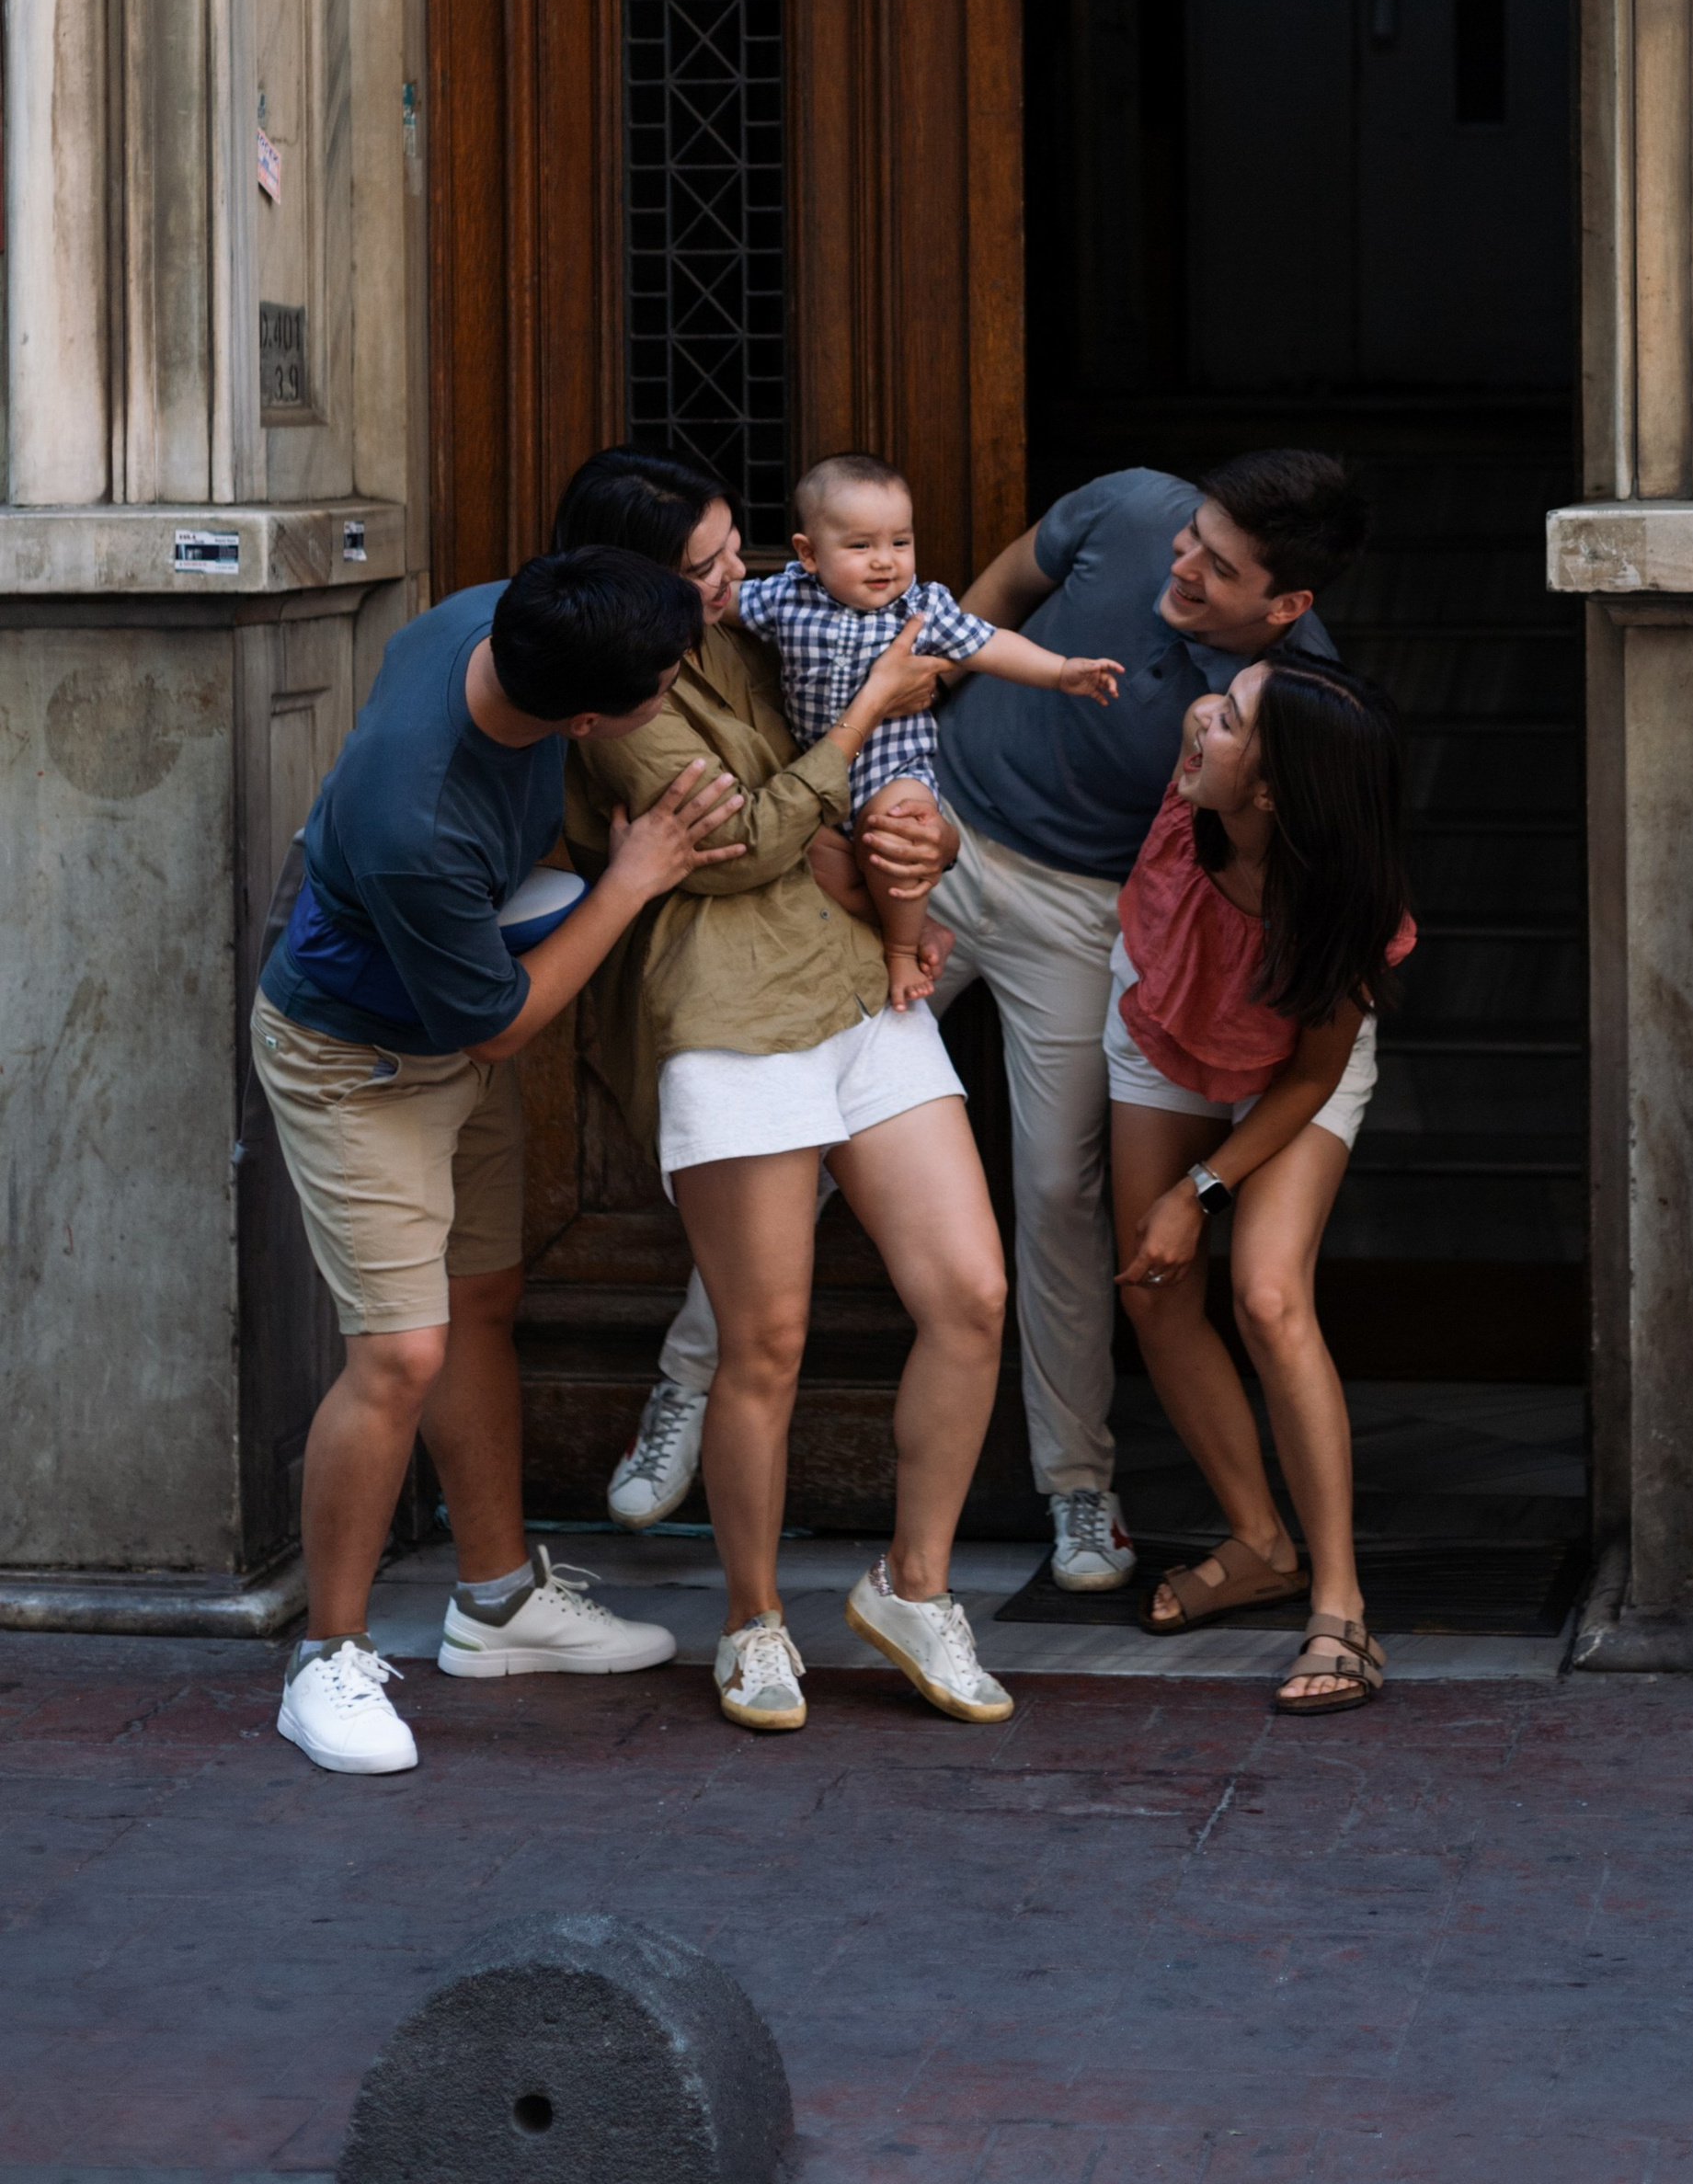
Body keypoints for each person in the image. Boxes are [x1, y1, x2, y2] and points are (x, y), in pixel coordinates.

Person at [609, 452, 1368, 1602]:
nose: (1183, 561)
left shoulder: (1298, 701)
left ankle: (1075, 1479)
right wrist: (914, 705)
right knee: (791, 1120)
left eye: (1216, 568)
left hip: (1086, 909)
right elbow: (990, 597)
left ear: (1285, 607)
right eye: (1190, 537)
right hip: (925, 830)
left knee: (1061, 1192)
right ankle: (686, 1384)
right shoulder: (1125, 505)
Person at [256, 546, 745, 1778]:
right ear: (585, 720)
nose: (676, 690)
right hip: (359, 1059)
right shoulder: (416, 821)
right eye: (661, 681)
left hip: (447, 1019)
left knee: (480, 1302)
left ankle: (497, 1602)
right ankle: (326, 1660)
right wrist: (632, 879)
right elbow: (506, 1023)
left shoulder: (486, 616)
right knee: (400, 1351)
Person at [553, 447, 1018, 1727]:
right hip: (725, 1015)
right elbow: (740, 846)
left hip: (855, 991)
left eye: (730, 552)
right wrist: (864, 717)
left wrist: (924, 846)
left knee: (972, 1294)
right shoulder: (616, 699)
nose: (731, 579)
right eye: (701, 567)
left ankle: (912, 1588)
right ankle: (753, 1621)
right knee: (764, 1344)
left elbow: (849, 805)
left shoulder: (770, 628)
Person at [1111, 655, 1413, 1717]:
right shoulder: (1196, 786)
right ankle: (1258, 1542)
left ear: (1276, 790)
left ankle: (1340, 1604)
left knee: (1268, 1295)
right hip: (1164, 1018)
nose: (1202, 720)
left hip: (1288, 1072)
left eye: (1231, 721)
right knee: (1148, 1284)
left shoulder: (1340, 897)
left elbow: (1315, 1076)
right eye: (1220, 701)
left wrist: (1197, 1190)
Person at [736, 450, 1124, 1009]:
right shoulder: (782, 596)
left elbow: (990, 642)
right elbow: (718, 604)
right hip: (813, 767)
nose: (885, 562)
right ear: (808, 553)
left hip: (894, 763)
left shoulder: (922, 608)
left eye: (900, 542)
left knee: (902, 830)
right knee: (831, 872)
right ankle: (908, 936)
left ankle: (899, 949)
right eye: (860, 545)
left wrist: (1061, 672)